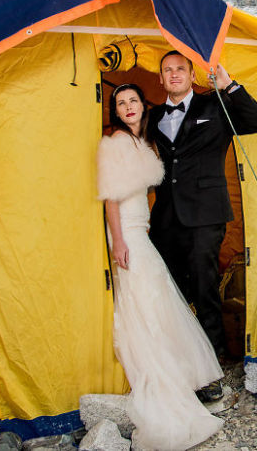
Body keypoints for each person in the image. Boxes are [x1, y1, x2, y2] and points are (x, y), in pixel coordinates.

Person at [97, 83, 224, 450]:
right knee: (147, 296)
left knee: (158, 296)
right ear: (116, 112)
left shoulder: (142, 141)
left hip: (141, 226)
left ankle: (179, 372)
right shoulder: (115, 143)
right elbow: (110, 197)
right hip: (126, 232)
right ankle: (163, 376)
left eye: (133, 100)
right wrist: (119, 240)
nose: (128, 107)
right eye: (121, 103)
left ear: (142, 105)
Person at [147, 51, 257, 397]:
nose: (174, 75)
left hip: (206, 216)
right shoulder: (154, 115)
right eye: (167, 70)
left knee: (204, 288)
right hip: (166, 218)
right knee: (170, 291)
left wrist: (228, 85)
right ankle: (177, 363)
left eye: (180, 69)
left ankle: (210, 370)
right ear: (160, 78)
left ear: (191, 76)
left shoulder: (215, 106)